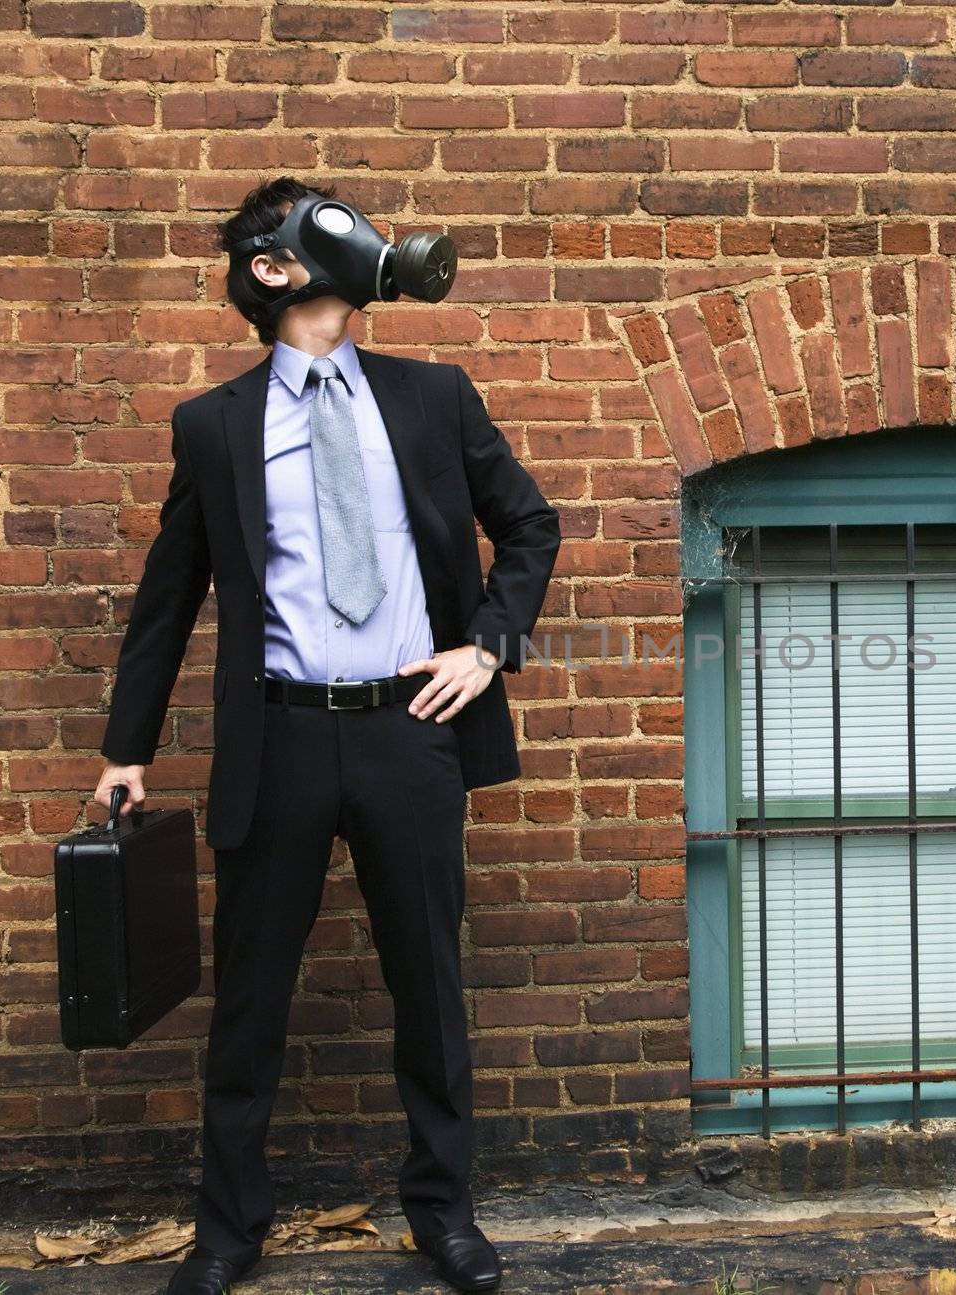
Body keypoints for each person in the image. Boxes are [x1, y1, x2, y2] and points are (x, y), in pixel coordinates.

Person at [92, 177, 561, 1295]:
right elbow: (170, 599)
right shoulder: (214, 426)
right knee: (250, 995)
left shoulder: (433, 396)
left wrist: (487, 646)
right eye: (325, 222)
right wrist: (126, 749)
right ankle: (227, 1228)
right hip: (282, 739)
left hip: (408, 730)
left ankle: (443, 1212)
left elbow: (529, 526)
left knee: (430, 987)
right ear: (273, 268)